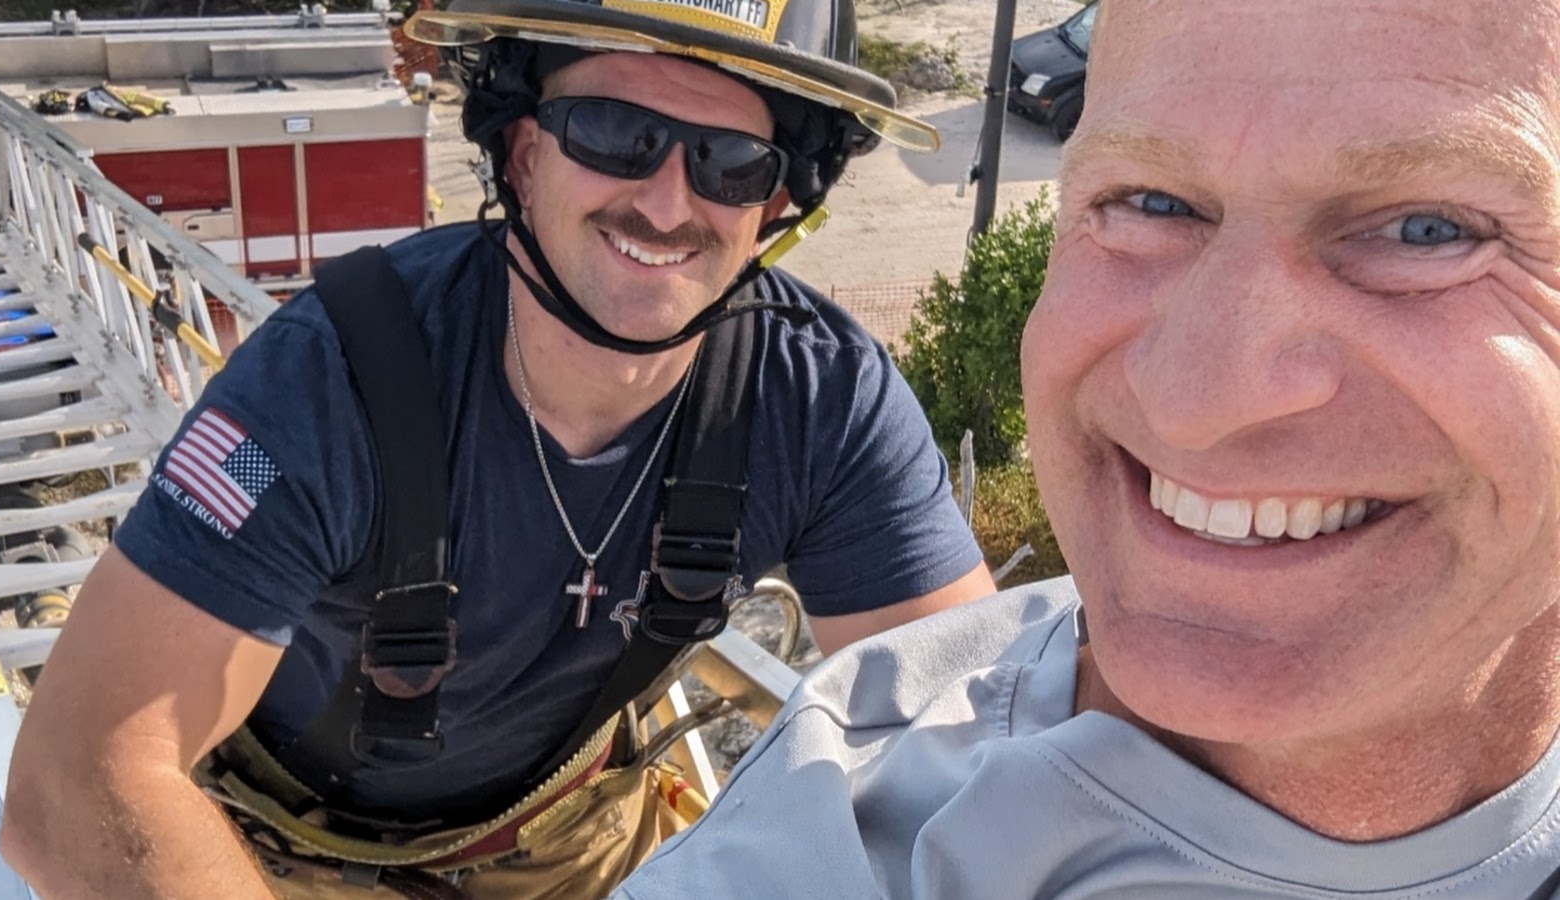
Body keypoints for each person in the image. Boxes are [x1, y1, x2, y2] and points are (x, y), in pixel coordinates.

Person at [0, 0, 996, 895]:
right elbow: (73, 786)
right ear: (520, 151)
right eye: (613, 135)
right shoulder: (322, 386)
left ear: (776, 203)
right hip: (275, 851)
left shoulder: (819, 403)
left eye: (730, 162)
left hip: (571, 834)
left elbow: (969, 747)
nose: (665, 201)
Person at [611, 0, 1560, 896]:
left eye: (1428, 231)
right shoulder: (831, 848)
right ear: (520, 151)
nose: (1199, 406)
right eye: (1151, 200)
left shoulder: (817, 389)